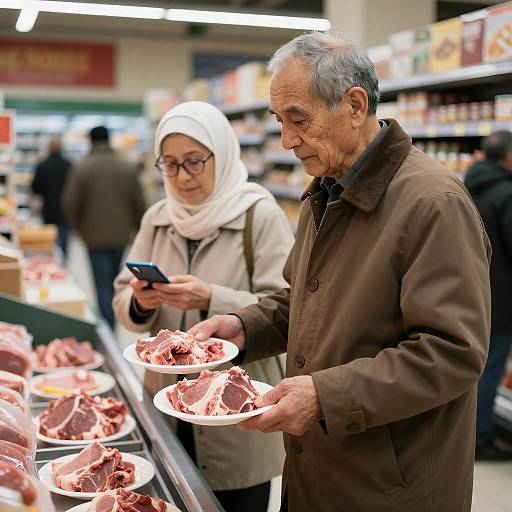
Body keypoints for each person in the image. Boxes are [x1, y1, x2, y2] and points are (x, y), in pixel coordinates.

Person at [189, 32, 491, 512]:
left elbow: (451, 352)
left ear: (354, 105)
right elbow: (305, 302)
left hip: (390, 488)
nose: (287, 140)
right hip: (319, 471)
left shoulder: (433, 204)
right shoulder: (323, 192)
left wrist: (326, 396)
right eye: (278, 120)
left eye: (298, 119)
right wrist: (243, 327)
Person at [113, 101, 294, 512]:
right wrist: (140, 303)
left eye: (194, 162)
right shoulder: (158, 218)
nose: (181, 177)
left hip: (235, 413)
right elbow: (123, 297)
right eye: (170, 164)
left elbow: (289, 306)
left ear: (222, 154)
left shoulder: (258, 215)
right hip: (166, 404)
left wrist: (212, 297)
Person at [63, 126, 145, 328]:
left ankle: (107, 327)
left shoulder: (83, 167)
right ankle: (115, 322)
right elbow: (139, 202)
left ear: (90, 141)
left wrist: (79, 229)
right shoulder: (126, 166)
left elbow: (70, 202)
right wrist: (137, 230)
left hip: (93, 235)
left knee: (101, 283)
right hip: (120, 234)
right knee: (116, 279)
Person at [465, 131, 512, 461]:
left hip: (474, 290)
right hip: (502, 297)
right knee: (490, 369)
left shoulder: (467, 186)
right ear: (507, 157)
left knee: (477, 368)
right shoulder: (507, 192)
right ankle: (479, 438)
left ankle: (469, 434)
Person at [31, 137, 71, 258]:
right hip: (65, 211)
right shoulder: (69, 166)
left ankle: (50, 262)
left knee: (49, 241)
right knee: (64, 242)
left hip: (48, 209)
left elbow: (35, 188)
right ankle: (63, 264)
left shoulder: (43, 165)